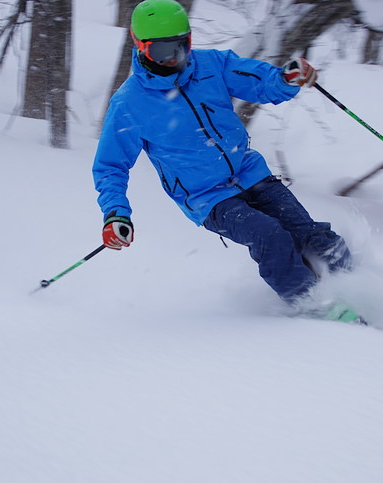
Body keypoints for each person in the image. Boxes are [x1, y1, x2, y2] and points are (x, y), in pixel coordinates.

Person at [93, 0, 352, 307]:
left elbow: (262, 82)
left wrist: (286, 79)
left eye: (183, 45)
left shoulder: (212, 65)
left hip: (250, 172)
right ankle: (313, 305)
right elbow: (111, 166)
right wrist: (115, 213)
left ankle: (358, 285)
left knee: (311, 234)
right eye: (163, 51)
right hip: (207, 197)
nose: (176, 58)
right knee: (270, 236)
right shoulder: (129, 104)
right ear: (140, 47)